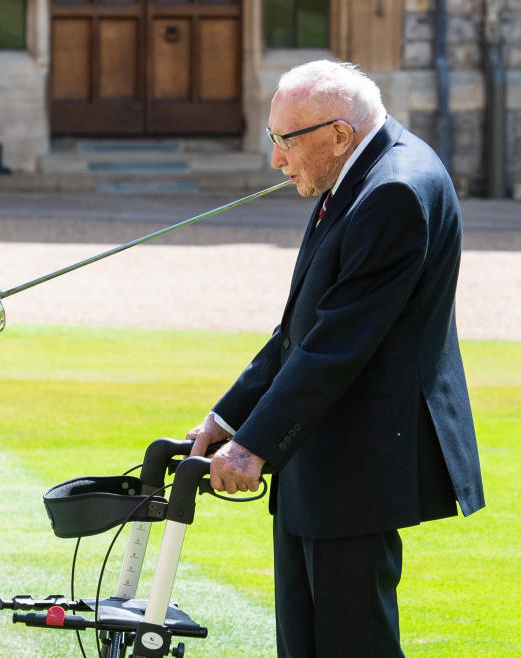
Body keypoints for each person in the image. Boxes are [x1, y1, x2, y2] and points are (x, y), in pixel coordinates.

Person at [186, 60, 485, 657]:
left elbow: (337, 344)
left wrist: (252, 446)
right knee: (304, 641)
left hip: (358, 458)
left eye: (284, 142)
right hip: (318, 455)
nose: (276, 160)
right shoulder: (358, 173)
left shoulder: (392, 189)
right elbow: (302, 327)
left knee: (352, 644)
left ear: (340, 133)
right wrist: (226, 420)